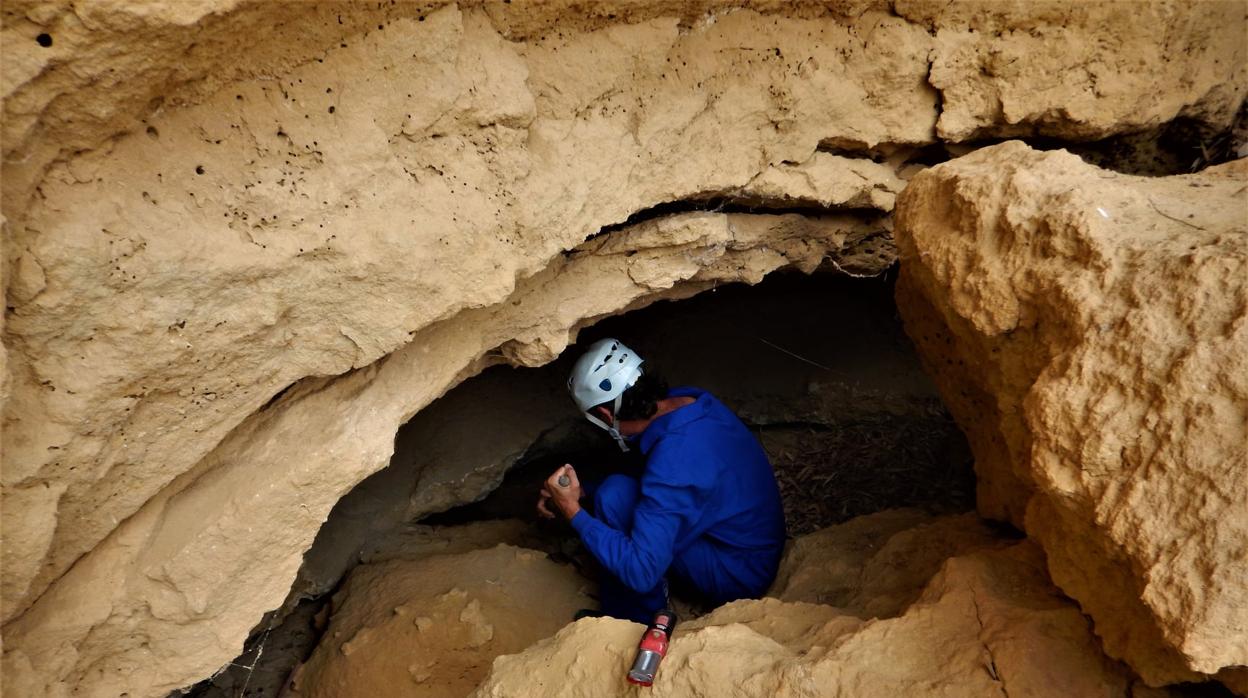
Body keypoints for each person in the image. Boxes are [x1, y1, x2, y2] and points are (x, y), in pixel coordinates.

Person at [536, 338, 787, 623]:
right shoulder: (690, 403)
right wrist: (583, 491)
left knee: (614, 499)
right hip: (751, 539)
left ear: (605, 414)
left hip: (740, 573)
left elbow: (641, 572)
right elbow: (656, 468)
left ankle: (636, 620)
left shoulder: (674, 463)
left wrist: (573, 512)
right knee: (612, 490)